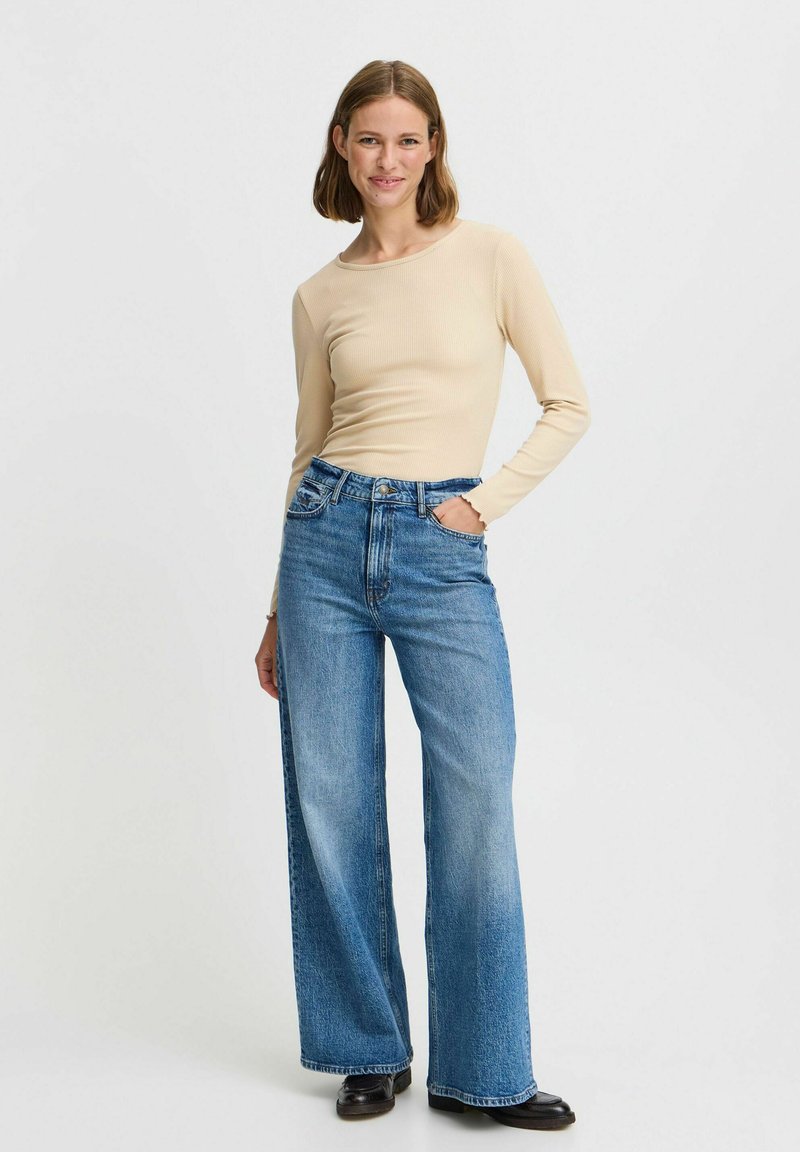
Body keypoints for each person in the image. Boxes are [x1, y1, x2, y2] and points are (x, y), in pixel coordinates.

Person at [255, 59, 590, 1130]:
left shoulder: (490, 255)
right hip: (322, 547)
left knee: (475, 796)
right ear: (341, 147)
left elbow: (568, 404)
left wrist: (480, 507)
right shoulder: (320, 295)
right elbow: (307, 446)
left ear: (432, 145)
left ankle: (485, 1069)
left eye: (407, 139)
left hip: (442, 545)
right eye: (369, 139)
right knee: (331, 803)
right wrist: (276, 608)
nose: (388, 159)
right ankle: (366, 1048)